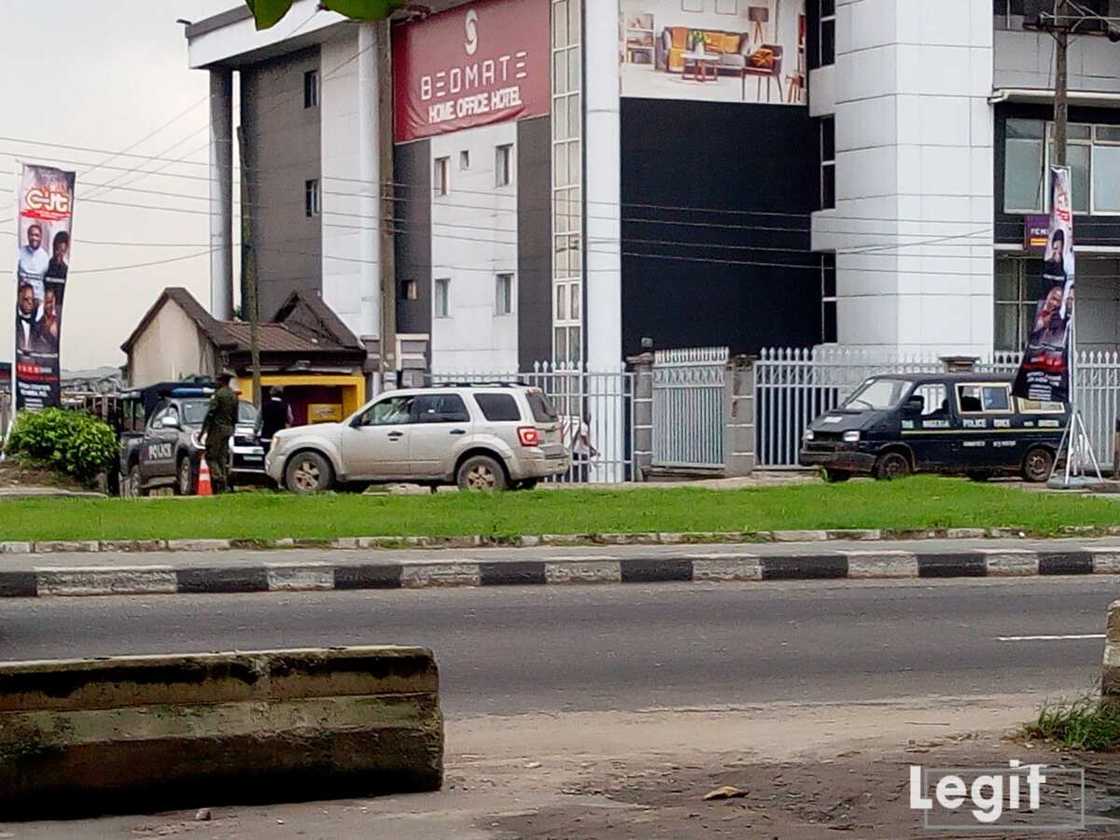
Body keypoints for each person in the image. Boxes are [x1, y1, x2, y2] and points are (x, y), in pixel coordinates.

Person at [201, 370, 239, 494]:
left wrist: (203, 430)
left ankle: (219, 478)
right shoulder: (234, 395)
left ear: (221, 381)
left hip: (217, 430)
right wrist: (232, 428)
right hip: (228, 429)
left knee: (211, 456)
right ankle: (224, 484)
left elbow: (210, 413)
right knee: (222, 457)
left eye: (218, 380)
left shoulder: (218, 395)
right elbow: (235, 416)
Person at [15, 283, 41, 353]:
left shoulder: (37, 328)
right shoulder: (13, 322)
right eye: (26, 299)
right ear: (19, 299)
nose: (30, 302)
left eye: (32, 299)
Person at [37, 286, 61, 353]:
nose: (51, 305)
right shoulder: (38, 324)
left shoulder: (60, 316)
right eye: (48, 302)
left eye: (52, 301)